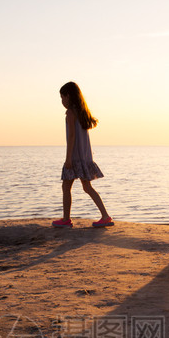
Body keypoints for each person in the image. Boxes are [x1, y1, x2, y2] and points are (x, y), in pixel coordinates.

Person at [52, 82, 114, 228]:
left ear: (68, 96)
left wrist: (68, 159)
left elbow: (72, 136)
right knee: (87, 187)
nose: (62, 102)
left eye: (62, 98)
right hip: (84, 156)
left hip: (75, 157)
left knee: (66, 187)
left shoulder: (70, 113)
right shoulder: (82, 112)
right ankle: (105, 216)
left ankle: (66, 219)